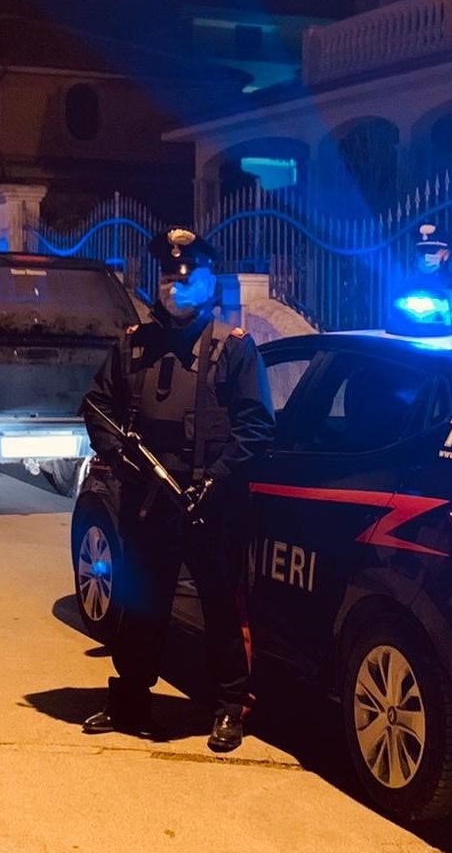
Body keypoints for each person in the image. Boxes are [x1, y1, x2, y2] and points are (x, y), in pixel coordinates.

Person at [80, 226, 275, 754]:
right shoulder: (135, 344)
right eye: (169, 278)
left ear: (208, 283)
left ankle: (230, 707)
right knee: (142, 603)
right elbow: (97, 405)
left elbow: (256, 426)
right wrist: (120, 456)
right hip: (149, 498)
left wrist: (217, 478)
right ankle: (130, 700)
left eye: (187, 279)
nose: (176, 287)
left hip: (213, 502)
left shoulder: (234, 348)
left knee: (221, 607)